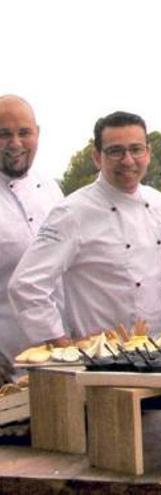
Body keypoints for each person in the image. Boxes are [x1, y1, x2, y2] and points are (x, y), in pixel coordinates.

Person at [9, 111, 161, 344]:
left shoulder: (160, 201)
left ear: (148, 153)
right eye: (115, 151)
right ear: (97, 157)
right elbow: (26, 285)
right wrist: (60, 341)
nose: (128, 160)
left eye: (136, 149)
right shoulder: (72, 212)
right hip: (104, 360)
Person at [0, 95, 63, 380]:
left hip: (60, 357)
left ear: (38, 133)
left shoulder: (51, 190)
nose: (15, 143)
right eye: (3, 134)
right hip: (6, 363)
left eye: (24, 132)